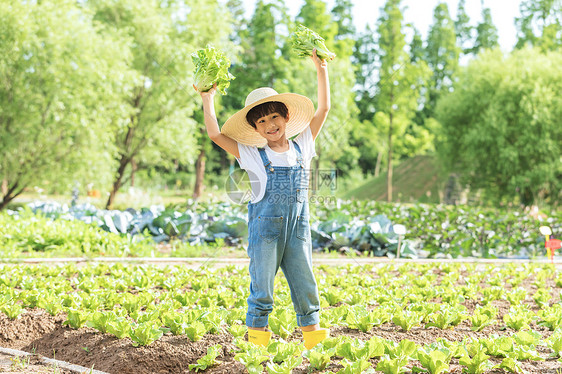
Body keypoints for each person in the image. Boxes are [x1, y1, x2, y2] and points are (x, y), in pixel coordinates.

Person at [194, 49, 330, 349]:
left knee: (306, 284)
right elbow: (216, 134)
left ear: (286, 117)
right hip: (265, 235)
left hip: (298, 230)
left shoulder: (302, 146)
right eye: (262, 122)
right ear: (255, 129)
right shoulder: (253, 156)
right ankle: (258, 346)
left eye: (274, 117)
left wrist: (321, 68)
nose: (270, 124)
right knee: (263, 289)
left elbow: (323, 110)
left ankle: (314, 345)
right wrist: (207, 98)